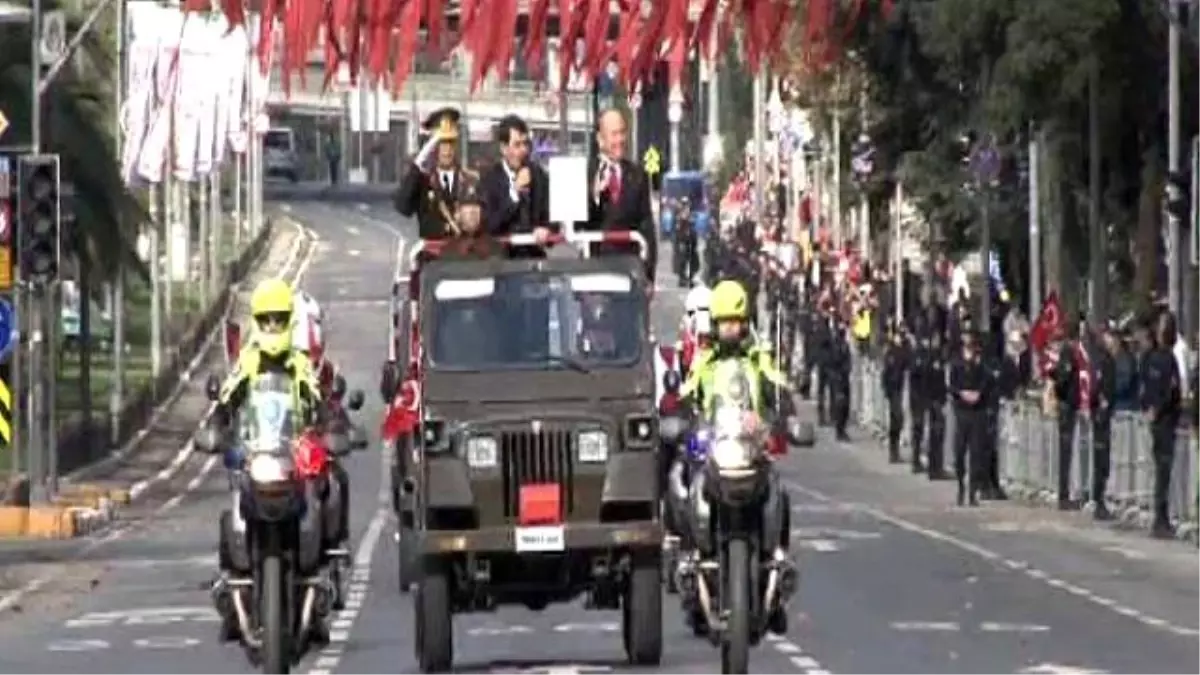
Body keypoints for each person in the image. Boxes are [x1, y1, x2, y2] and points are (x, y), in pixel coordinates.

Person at [679, 279, 793, 634]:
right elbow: (686, 393)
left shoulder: (758, 359)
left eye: (736, 321)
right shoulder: (705, 361)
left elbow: (777, 385)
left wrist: (780, 410)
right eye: (724, 321)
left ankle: (777, 572)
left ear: (746, 322)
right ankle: (693, 565)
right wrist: (679, 413)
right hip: (717, 447)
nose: (730, 328)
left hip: (750, 449)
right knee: (691, 491)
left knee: (778, 494)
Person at [581, 108, 658, 280]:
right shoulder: (586, 173)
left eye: (623, 132)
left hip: (628, 270)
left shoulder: (637, 175)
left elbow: (647, 228)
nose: (620, 139)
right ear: (600, 139)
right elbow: (578, 223)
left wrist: (649, 275)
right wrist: (594, 195)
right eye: (614, 134)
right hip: (595, 269)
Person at [480, 114, 553, 257]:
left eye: (525, 144)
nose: (523, 150)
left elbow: (550, 214)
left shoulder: (539, 175)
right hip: (503, 259)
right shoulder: (490, 180)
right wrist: (514, 193)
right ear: (503, 148)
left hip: (535, 258)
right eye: (517, 145)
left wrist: (546, 229)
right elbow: (491, 224)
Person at [394, 107, 466, 240]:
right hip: (431, 255)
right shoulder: (423, 181)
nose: (447, 150)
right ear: (432, 147)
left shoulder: (468, 180)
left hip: (462, 254)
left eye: (451, 143)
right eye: (441, 144)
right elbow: (403, 207)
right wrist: (419, 161)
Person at [1142, 311, 1182, 538]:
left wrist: (1149, 408)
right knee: (1162, 471)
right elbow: (1171, 391)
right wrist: (1154, 408)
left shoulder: (1154, 357)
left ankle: (1162, 516)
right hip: (1164, 422)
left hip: (1160, 419)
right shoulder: (1164, 359)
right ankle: (1160, 518)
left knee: (1161, 471)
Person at [949, 330, 988, 506]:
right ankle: (960, 486)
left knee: (976, 453)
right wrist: (961, 394)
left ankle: (972, 491)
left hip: (977, 412)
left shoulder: (980, 365)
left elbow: (986, 383)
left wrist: (978, 393)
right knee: (959, 452)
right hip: (962, 411)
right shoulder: (956, 364)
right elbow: (952, 386)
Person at [1090, 322, 1118, 520]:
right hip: (1101, 415)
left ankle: (1099, 498)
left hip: (1103, 414)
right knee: (1101, 460)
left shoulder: (1104, 359)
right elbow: (1099, 387)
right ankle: (1098, 500)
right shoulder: (1103, 360)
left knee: (1103, 460)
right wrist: (1101, 405)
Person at [439, 174, 502, 261]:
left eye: (477, 206)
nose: (473, 211)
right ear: (458, 213)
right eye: (467, 206)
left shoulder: (495, 248)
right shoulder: (448, 251)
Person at [1051, 330, 1081, 510]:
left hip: (1067, 404)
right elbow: (1063, 378)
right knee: (1065, 451)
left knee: (1066, 452)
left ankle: (1065, 494)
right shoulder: (1067, 354)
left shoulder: (1064, 355)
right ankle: (1064, 495)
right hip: (1067, 406)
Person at [881, 325, 909, 464]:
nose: (901, 338)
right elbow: (886, 372)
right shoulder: (890, 351)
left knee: (898, 419)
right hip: (893, 389)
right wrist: (886, 389)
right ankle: (893, 450)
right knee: (896, 418)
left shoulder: (904, 350)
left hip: (900, 387)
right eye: (899, 335)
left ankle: (895, 449)